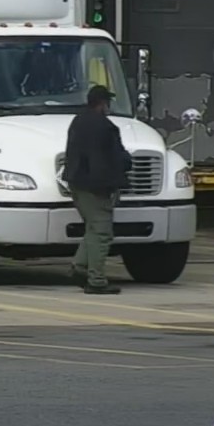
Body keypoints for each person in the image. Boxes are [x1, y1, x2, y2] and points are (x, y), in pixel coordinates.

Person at [62, 84, 132, 295]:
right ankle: (96, 280)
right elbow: (108, 159)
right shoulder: (105, 127)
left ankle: (80, 268)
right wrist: (118, 175)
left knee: (92, 228)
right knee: (102, 232)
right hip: (96, 186)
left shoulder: (78, 120)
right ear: (103, 103)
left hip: (76, 182)